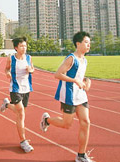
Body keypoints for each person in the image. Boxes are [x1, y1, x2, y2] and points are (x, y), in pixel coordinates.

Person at [40, 31, 93, 162]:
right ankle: (47, 120)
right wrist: (75, 81)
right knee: (66, 124)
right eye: (86, 42)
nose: (88, 45)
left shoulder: (84, 60)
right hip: (69, 95)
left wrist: (87, 81)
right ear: (78, 43)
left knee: (86, 122)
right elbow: (58, 74)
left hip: (81, 95)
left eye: (89, 43)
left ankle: (81, 155)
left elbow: (81, 76)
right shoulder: (71, 59)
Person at [0, 36, 35, 153]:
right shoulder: (11, 59)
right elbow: (6, 69)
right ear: (16, 48)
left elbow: (32, 68)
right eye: (21, 46)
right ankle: (23, 141)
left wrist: (31, 70)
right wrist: (8, 74)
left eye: (25, 45)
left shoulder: (29, 58)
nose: (24, 48)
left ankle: (7, 105)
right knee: (21, 113)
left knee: (20, 111)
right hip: (15, 88)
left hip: (26, 89)